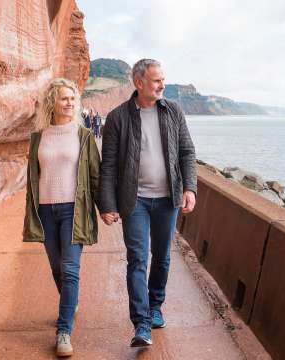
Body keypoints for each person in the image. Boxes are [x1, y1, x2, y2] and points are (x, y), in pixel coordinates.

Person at [98, 58, 197, 347]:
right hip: (135, 201)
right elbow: (109, 166)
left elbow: (187, 153)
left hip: (168, 200)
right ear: (139, 83)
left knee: (163, 257)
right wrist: (107, 203)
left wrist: (190, 187)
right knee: (138, 259)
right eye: (156, 80)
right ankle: (141, 323)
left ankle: (155, 307)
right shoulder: (118, 118)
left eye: (162, 79)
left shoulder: (173, 111)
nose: (162, 85)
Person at [22, 78, 101, 357]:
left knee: (70, 270)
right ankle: (71, 301)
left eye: (72, 98)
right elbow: (35, 176)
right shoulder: (38, 138)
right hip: (45, 210)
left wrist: (106, 208)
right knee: (57, 269)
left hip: (73, 210)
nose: (69, 103)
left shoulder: (83, 136)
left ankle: (63, 331)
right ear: (52, 102)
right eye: (64, 98)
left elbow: (95, 176)